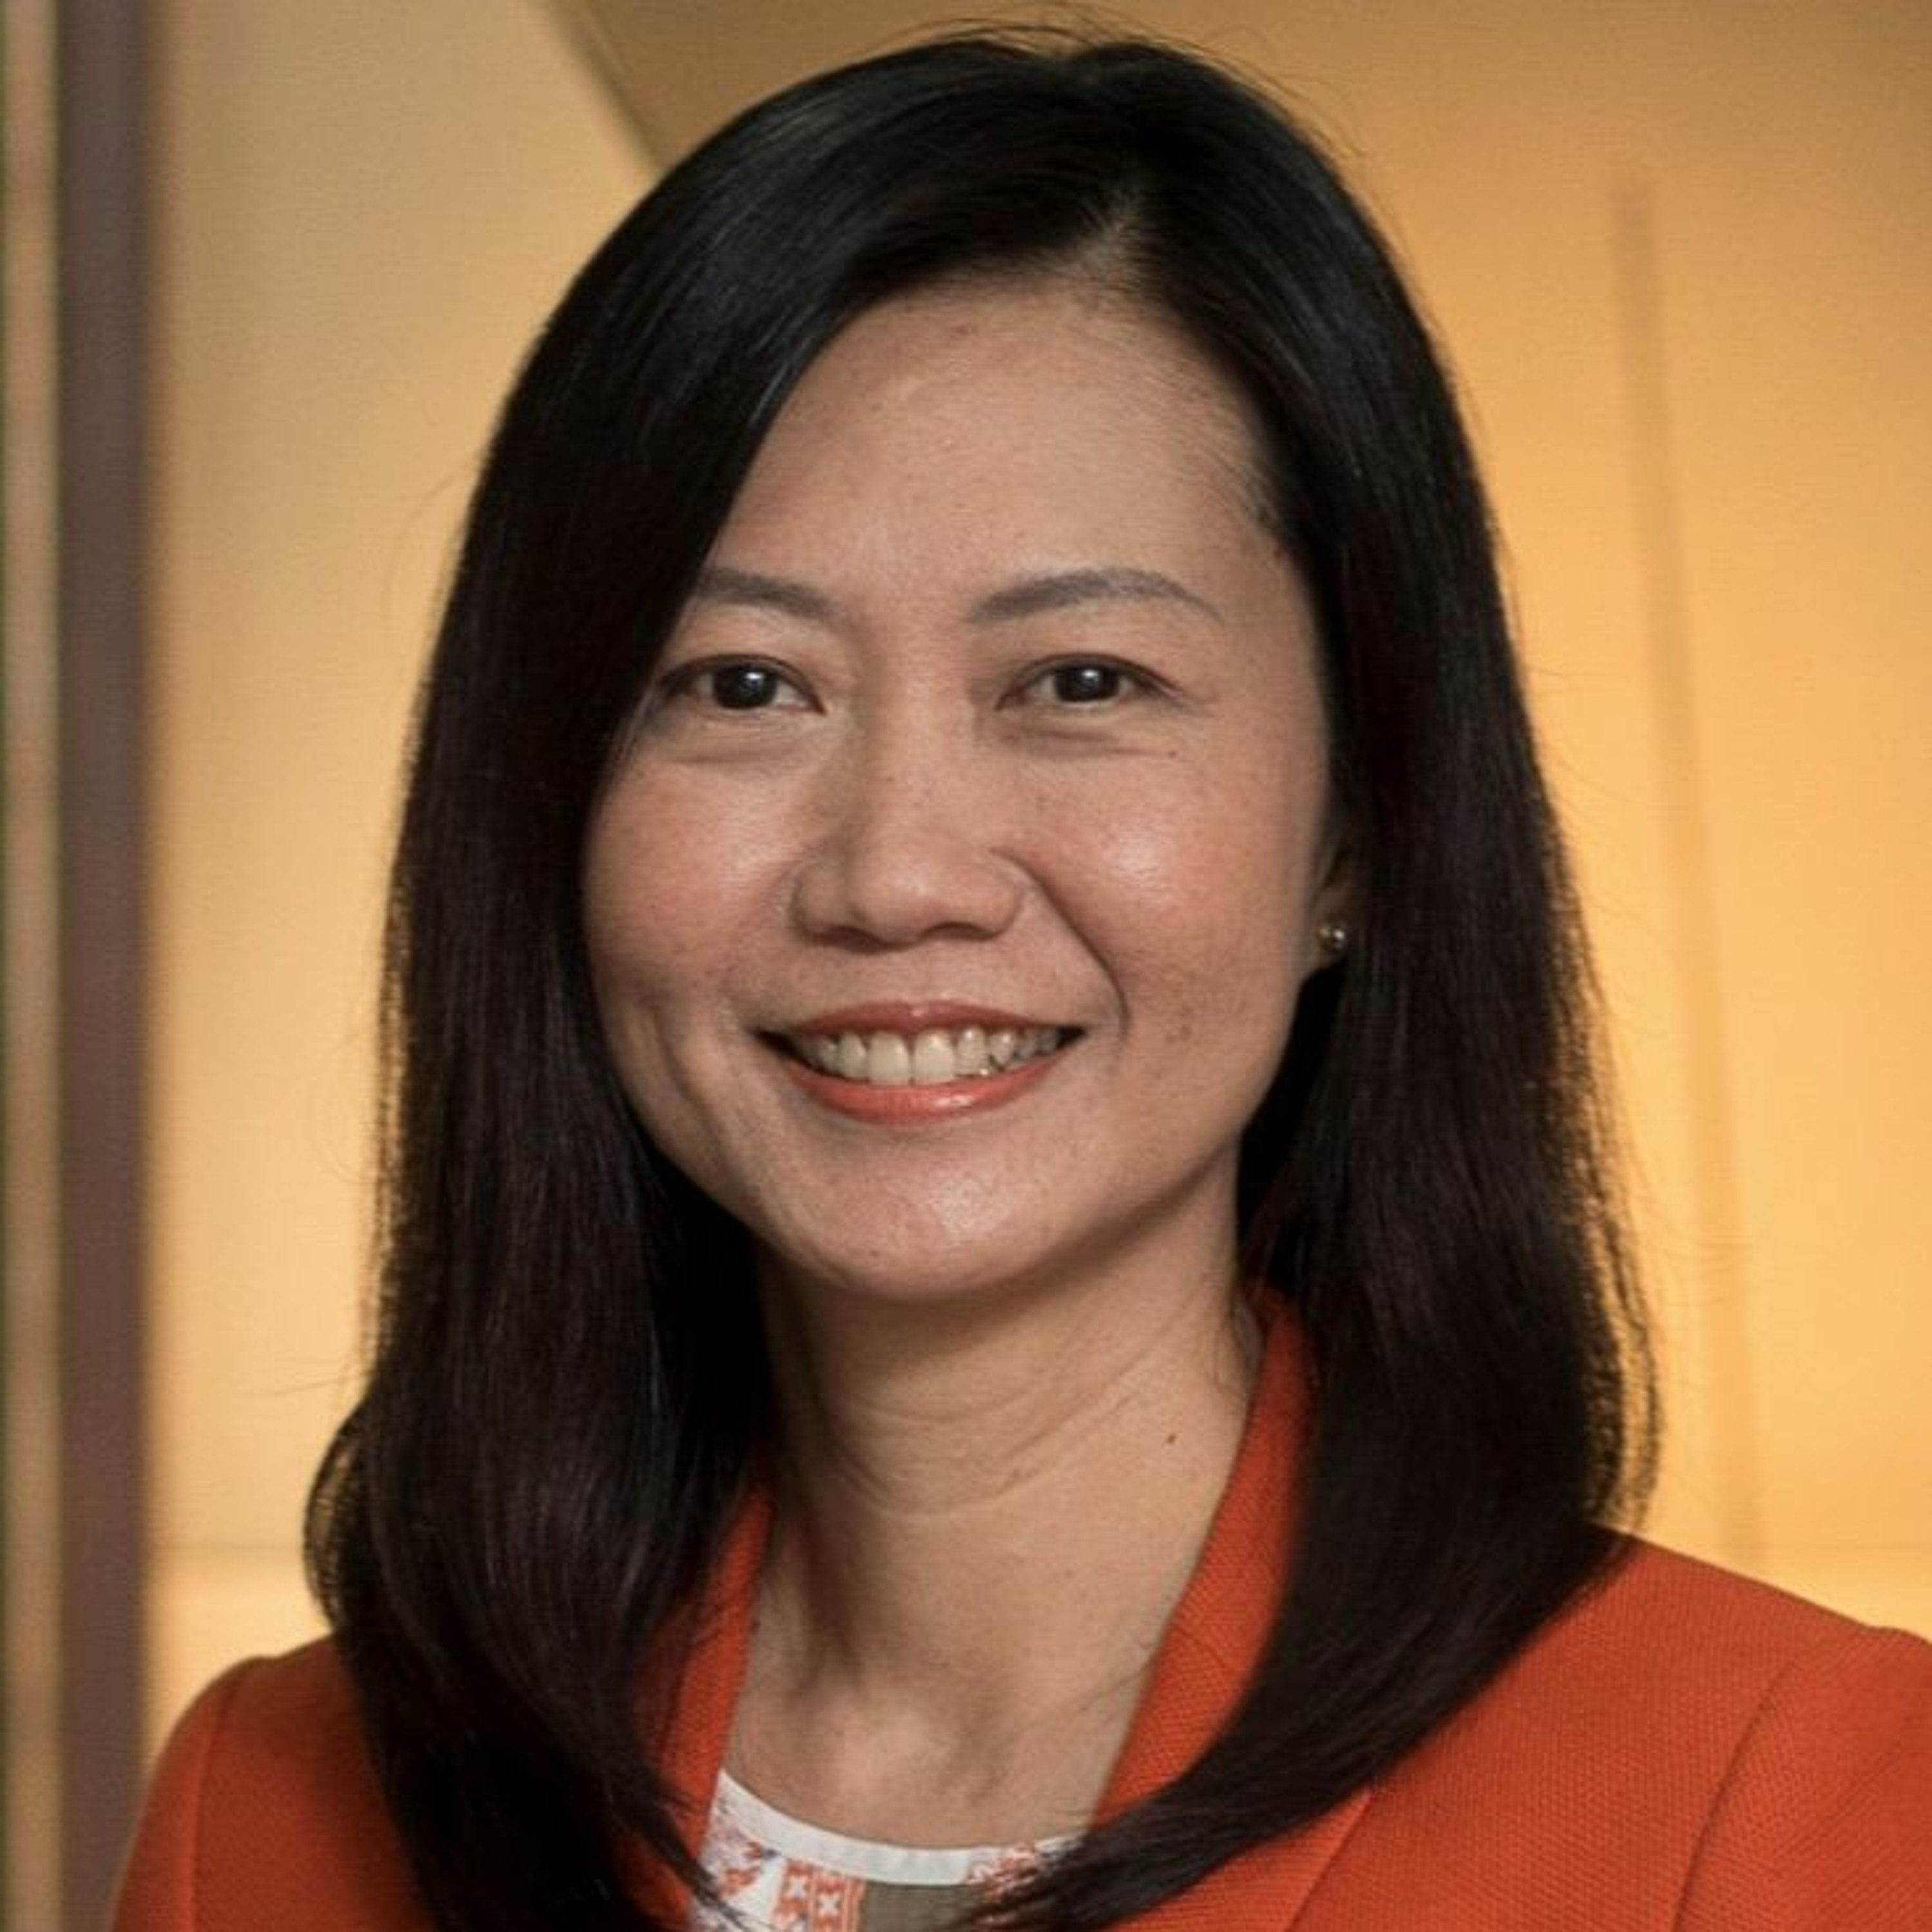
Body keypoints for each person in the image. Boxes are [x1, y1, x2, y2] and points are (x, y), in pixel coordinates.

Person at [115, 30, 1929, 1931]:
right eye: (743, 685)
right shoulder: (271, 1812)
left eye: (1081, 682)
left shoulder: (1774, 1791)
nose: (897, 872)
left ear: (1359, 824)